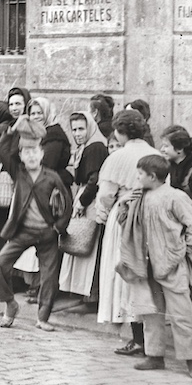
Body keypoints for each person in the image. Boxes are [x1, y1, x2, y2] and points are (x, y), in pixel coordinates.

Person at [117, 154, 192, 381]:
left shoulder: (175, 197)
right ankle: (154, 355)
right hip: (145, 265)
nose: (137, 177)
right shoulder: (138, 196)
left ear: (153, 176)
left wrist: (178, 253)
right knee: (151, 312)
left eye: (140, 174)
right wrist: (125, 205)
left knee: (181, 314)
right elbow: (124, 222)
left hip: (172, 266)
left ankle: (191, 360)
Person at [0, 116, 73, 331]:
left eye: (35, 152)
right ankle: (10, 304)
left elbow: (67, 204)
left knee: (49, 277)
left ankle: (43, 318)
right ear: (20, 155)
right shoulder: (18, 172)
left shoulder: (52, 176)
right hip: (22, 232)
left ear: (42, 154)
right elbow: (1, 152)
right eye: (26, 152)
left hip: (47, 234)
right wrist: (12, 131)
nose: (31, 156)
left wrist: (58, 228)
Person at [95, 110, 159, 355]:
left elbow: (105, 195)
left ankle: (137, 338)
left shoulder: (117, 156)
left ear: (120, 132)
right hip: (152, 217)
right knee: (144, 273)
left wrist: (110, 210)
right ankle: (147, 338)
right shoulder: (155, 154)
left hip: (124, 216)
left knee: (124, 274)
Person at [58, 111, 110, 310]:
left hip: (90, 201)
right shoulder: (86, 147)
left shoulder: (95, 147)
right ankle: (83, 294)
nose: (77, 133)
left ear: (90, 128)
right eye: (74, 129)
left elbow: (94, 178)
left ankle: (90, 296)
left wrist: (82, 201)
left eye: (81, 128)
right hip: (85, 197)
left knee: (88, 244)